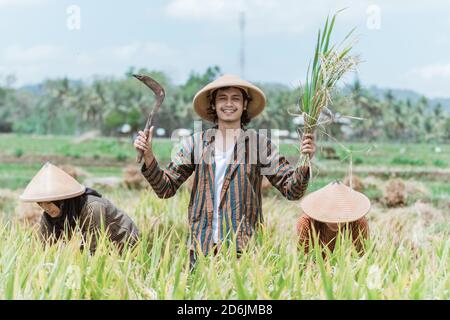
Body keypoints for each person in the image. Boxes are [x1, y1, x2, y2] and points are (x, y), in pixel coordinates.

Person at [134, 74, 316, 269]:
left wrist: (305, 161)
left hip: (243, 248)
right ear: (213, 104)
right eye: (222, 98)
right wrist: (149, 157)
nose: (229, 103)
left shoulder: (259, 145)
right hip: (201, 246)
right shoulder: (197, 143)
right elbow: (165, 189)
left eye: (236, 98)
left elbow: (292, 191)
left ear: (245, 104)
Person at [19, 162, 139, 253]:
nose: (46, 208)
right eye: (41, 204)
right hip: (101, 247)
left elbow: (95, 250)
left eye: (49, 203)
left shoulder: (92, 207)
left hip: (125, 244)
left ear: (61, 200)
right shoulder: (49, 217)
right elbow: (45, 249)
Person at [297, 180, 370, 255]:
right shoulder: (307, 223)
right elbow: (303, 258)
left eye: (341, 212)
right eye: (331, 213)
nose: (336, 221)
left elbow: (362, 255)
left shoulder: (359, 223)